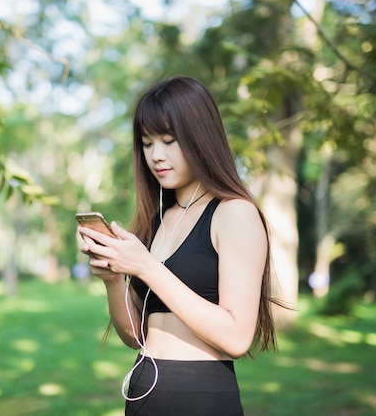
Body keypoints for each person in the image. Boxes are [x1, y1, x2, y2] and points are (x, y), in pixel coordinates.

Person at [78, 75, 282, 416]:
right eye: (146, 143)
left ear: (201, 138)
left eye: (169, 140)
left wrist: (146, 267)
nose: (156, 155)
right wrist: (113, 280)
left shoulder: (234, 214)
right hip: (144, 391)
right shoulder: (156, 220)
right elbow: (135, 337)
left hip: (199, 396)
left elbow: (236, 337)